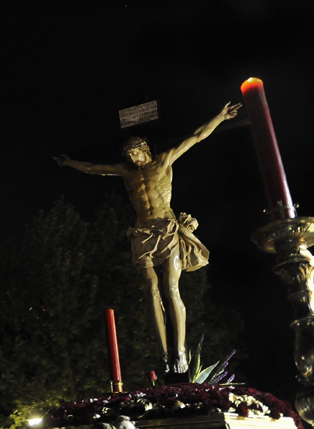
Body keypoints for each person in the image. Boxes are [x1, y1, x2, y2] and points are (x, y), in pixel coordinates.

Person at [53, 102, 241, 373]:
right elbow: (94, 168)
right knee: (152, 290)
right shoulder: (127, 173)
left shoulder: (163, 161)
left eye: (134, 150)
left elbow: (197, 136)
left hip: (166, 230)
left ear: (144, 148)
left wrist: (221, 116)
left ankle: (180, 350)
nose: (130, 156)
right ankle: (165, 355)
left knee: (171, 288)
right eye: (126, 152)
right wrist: (70, 163)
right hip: (141, 234)